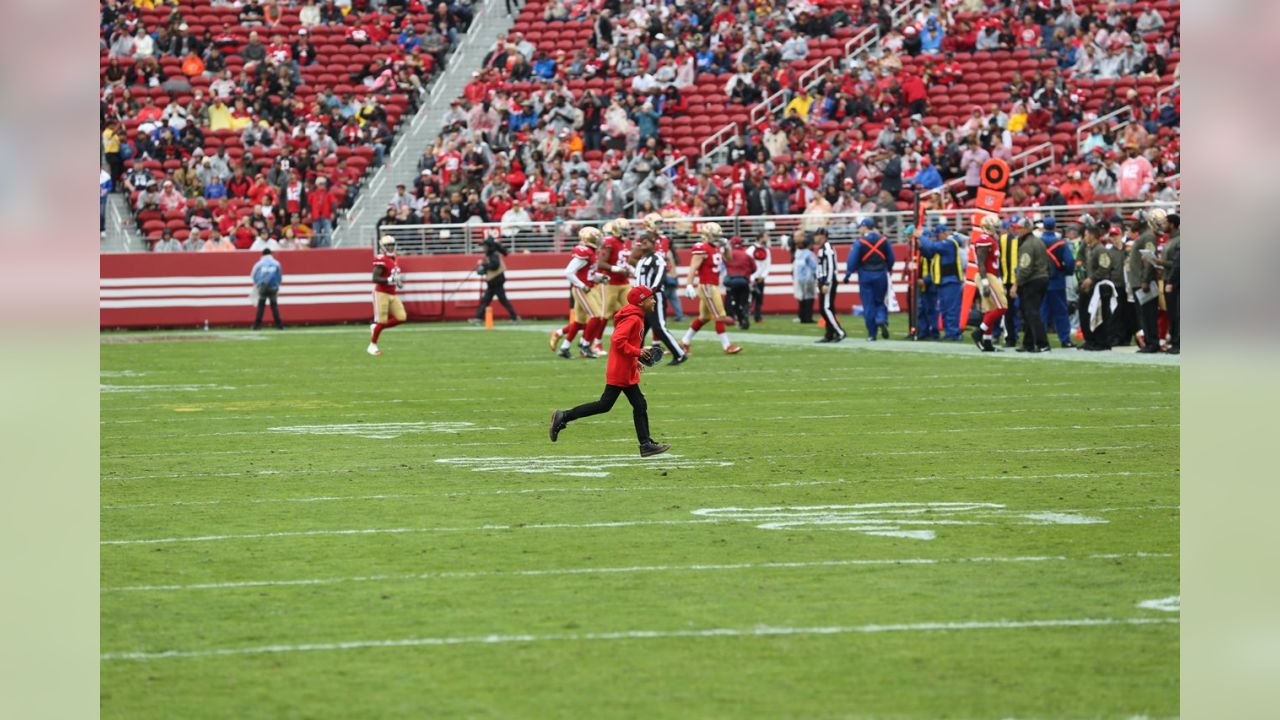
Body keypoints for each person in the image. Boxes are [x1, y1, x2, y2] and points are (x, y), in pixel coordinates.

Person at [549, 285, 670, 458]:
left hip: (624, 368)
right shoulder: (633, 319)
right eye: (651, 298)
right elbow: (617, 340)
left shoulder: (635, 316)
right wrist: (637, 353)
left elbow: (624, 343)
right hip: (621, 371)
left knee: (634, 404)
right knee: (611, 405)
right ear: (641, 301)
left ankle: (646, 444)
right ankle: (563, 416)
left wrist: (635, 360)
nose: (654, 301)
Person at [680, 223, 743, 355]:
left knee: (704, 318)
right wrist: (689, 284)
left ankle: (684, 342)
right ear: (707, 235)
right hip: (706, 287)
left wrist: (727, 247)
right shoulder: (701, 248)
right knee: (720, 316)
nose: (717, 238)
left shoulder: (717, 247)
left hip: (713, 286)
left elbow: (729, 260)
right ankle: (727, 346)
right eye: (715, 235)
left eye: (718, 236)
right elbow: (693, 268)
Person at [630, 232, 687, 365]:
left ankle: (679, 354)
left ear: (653, 244)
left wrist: (648, 293)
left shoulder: (657, 258)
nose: (643, 243)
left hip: (653, 297)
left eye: (646, 241)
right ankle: (638, 357)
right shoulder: (642, 260)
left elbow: (659, 277)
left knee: (659, 327)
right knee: (640, 329)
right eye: (641, 241)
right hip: (642, 300)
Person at [550, 227, 606, 359]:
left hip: (585, 286)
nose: (600, 241)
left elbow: (589, 274)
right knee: (596, 316)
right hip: (582, 289)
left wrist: (600, 278)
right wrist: (582, 285)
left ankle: (564, 348)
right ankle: (585, 345)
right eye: (597, 238)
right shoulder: (584, 252)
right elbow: (568, 272)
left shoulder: (591, 252)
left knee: (579, 322)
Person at [845, 218, 894, 341]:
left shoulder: (860, 242)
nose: (860, 229)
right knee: (880, 301)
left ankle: (872, 334)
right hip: (881, 274)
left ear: (865, 227)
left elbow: (852, 259)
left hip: (865, 275)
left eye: (861, 227)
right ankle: (881, 319)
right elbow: (891, 257)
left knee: (868, 305)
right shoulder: (884, 240)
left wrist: (848, 274)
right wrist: (888, 268)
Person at [918, 219, 964, 340]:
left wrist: (920, 237)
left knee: (951, 309)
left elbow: (931, 246)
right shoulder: (943, 245)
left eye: (937, 235)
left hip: (951, 281)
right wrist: (921, 245)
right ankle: (949, 332)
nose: (936, 237)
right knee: (944, 309)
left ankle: (953, 333)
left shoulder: (949, 243)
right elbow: (929, 251)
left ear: (943, 233)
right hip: (943, 282)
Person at [969, 215, 1010, 352]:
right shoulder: (984, 239)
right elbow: (981, 262)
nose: (997, 229)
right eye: (995, 226)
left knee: (991, 310)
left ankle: (987, 342)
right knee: (1002, 306)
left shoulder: (991, 239)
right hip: (987, 275)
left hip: (991, 275)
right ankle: (979, 332)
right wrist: (985, 281)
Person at [1011, 217, 1050, 352]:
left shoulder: (1027, 245)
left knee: (1031, 313)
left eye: (1019, 228)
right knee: (1029, 312)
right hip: (1041, 279)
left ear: (1027, 229)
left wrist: (1016, 284)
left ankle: (1042, 343)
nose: (1017, 231)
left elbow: (1025, 268)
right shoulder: (1038, 241)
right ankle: (1028, 343)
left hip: (1032, 281)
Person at [1038, 216, 1077, 348]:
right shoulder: (1061, 243)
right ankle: (1065, 339)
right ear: (1055, 227)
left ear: (1043, 226)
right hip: (1058, 282)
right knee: (1061, 312)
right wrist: (1066, 272)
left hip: (1041, 282)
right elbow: (1070, 262)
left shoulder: (1037, 242)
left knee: (1041, 312)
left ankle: (1040, 340)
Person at [1130, 208, 1166, 353]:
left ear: (1142, 222)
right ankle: (1150, 342)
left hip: (1144, 282)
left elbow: (1150, 260)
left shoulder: (1148, 236)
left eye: (1134, 221)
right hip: (1139, 281)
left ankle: (1152, 343)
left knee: (1148, 314)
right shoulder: (1144, 236)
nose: (1131, 223)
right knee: (1144, 315)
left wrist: (1145, 280)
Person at [368, 235, 406, 356]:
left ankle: (376, 328)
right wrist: (390, 280)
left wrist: (397, 281)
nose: (390, 247)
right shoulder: (381, 259)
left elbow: (393, 277)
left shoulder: (394, 258)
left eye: (392, 245)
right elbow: (374, 278)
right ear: (383, 247)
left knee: (401, 317)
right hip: (381, 293)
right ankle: (372, 345)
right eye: (388, 245)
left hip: (392, 293)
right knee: (382, 320)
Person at [596, 218, 634, 341]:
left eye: (627, 230)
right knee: (605, 314)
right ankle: (597, 342)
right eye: (623, 230)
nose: (626, 232)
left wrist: (631, 269)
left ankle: (623, 339)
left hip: (624, 282)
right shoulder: (609, 242)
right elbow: (600, 263)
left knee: (631, 312)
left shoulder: (627, 242)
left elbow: (624, 261)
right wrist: (615, 269)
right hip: (610, 282)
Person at [472, 236, 520, 323]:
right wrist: (483, 269)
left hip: (496, 279)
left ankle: (515, 317)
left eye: (485, 246)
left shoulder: (493, 254)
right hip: (494, 280)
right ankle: (478, 317)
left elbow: (495, 266)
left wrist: (483, 266)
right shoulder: (492, 254)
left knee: (494, 300)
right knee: (488, 300)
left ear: (489, 246)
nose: (484, 248)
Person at [813, 229, 847, 343]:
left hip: (829, 280)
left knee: (826, 308)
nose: (815, 238)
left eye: (817, 235)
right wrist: (818, 279)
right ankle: (829, 334)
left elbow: (832, 267)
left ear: (822, 236)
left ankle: (839, 332)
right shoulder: (821, 249)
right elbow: (819, 266)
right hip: (823, 280)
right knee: (826, 309)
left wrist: (827, 282)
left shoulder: (828, 248)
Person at [722, 236, 756, 330]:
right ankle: (744, 316)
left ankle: (737, 319)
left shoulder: (729, 254)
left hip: (732, 282)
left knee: (733, 303)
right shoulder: (747, 255)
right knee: (744, 302)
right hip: (744, 282)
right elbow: (754, 268)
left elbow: (724, 263)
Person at [250, 248, 285, 330]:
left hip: (262, 287)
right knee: (274, 306)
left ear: (262, 254)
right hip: (273, 287)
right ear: (271, 254)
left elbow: (253, 275)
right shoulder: (276, 263)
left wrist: (258, 284)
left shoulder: (259, 264)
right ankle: (279, 325)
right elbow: (279, 276)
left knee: (261, 306)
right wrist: (277, 285)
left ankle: (257, 325)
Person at [1161, 214, 1180, 354]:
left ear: (1172, 224)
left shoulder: (1178, 241)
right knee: (1172, 313)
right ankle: (1174, 342)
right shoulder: (1171, 240)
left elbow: (1177, 264)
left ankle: (1177, 343)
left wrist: (1172, 281)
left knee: (1176, 313)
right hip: (1169, 279)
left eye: (1165, 223)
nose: (1163, 225)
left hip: (1175, 282)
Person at [792, 236, 818, 324]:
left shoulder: (797, 253)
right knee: (809, 298)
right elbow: (814, 266)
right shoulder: (809, 254)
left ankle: (802, 317)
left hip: (799, 278)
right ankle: (808, 317)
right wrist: (817, 276)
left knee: (802, 299)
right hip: (808, 278)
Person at [749, 233, 770, 324]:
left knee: (759, 299)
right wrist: (751, 277)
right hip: (751, 278)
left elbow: (768, 264)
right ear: (760, 238)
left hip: (760, 278)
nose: (768, 239)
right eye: (766, 237)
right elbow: (747, 264)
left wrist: (763, 276)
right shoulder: (751, 250)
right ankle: (744, 316)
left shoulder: (766, 250)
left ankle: (758, 317)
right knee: (749, 299)